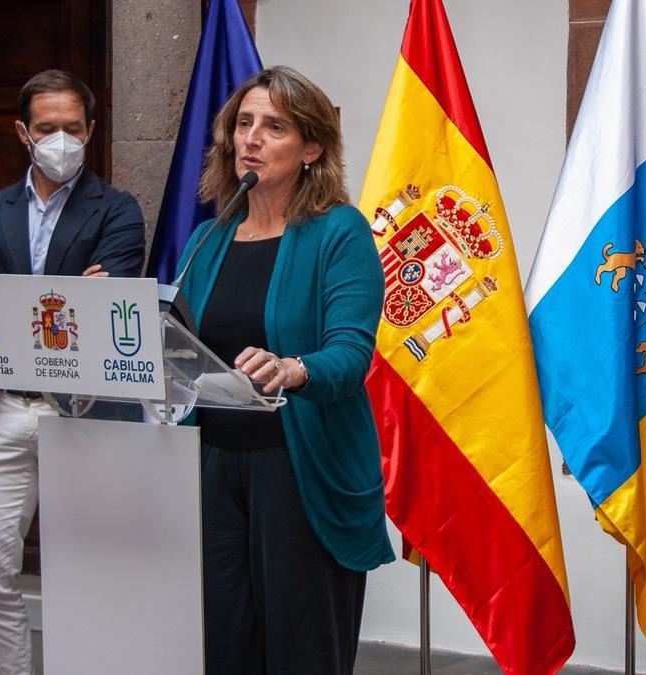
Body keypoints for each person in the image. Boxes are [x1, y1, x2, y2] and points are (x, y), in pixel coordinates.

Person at [174, 66, 394, 674]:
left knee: (302, 655)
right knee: (225, 650)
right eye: (243, 124)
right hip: (214, 469)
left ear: (312, 147)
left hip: (298, 472)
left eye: (274, 126)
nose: (252, 138)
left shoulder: (338, 232)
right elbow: (179, 346)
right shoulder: (208, 240)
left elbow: (351, 356)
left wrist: (294, 369)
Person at [0, 69, 146, 674]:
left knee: (88, 569)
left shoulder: (118, 210)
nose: (60, 139)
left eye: (72, 128)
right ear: (22, 133)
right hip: (3, 406)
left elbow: (101, 306)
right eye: (47, 128)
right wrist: (66, 294)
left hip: (84, 410)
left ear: (90, 131)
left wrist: (29, 300)